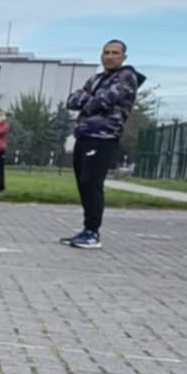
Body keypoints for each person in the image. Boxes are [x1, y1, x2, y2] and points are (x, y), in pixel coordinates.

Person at [62, 40, 142, 249]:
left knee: (91, 181)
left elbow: (102, 101)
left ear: (123, 57)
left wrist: (88, 100)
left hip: (104, 137)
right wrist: (88, 99)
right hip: (84, 135)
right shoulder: (96, 78)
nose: (109, 56)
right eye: (106, 52)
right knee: (83, 182)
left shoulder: (126, 77)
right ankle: (86, 228)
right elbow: (72, 100)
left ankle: (93, 232)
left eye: (115, 53)